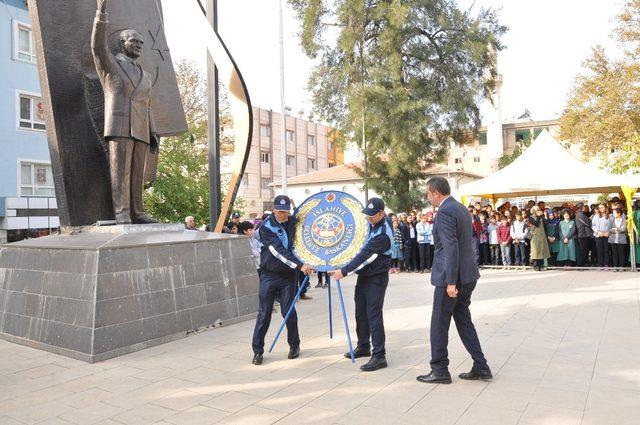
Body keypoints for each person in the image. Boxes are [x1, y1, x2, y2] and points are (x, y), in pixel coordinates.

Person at [417, 177, 491, 385]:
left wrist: (450, 282)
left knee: (439, 324)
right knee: (463, 320)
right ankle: (481, 366)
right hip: (467, 275)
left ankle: (439, 369)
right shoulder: (460, 208)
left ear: (436, 193)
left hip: (453, 278)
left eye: (428, 193)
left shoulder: (445, 212)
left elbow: (451, 247)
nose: (427, 197)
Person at [91, 0, 159, 224]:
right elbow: (97, 46)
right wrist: (101, 13)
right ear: (122, 43)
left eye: (141, 42)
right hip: (120, 126)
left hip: (141, 128)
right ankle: (121, 212)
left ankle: (137, 212)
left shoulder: (146, 76)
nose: (139, 44)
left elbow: (146, 105)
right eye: (134, 40)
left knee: (138, 174)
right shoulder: (110, 65)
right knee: (120, 172)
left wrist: (153, 131)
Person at [330, 197, 393, 372]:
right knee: (360, 313)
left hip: (376, 279)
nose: (369, 218)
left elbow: (364, 256)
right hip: (365, 277)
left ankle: (379, 355)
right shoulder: (374, 227)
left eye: (372, 215)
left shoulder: (382, 235)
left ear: (381, 213)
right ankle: (364, 346)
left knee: (373, 315)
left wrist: (343, 271)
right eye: (367, 214)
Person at [251, 195, 314, 365]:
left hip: (288, 277)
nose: (283, 215)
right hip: (269, 275)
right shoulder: (266, 228)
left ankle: (294, 345)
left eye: (286, 212)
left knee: (289, 312)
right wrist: (299, 265)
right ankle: (257, 351)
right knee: (264, 314)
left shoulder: (293, 221)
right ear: (274, 210)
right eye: (280, 212)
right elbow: (278, 251)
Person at [528, 206, 550, 271]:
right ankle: (536, 266)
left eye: (539, 209)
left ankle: (541, 265)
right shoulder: (531, 217)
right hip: (535, 237)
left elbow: (546, 223)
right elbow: (536, 223)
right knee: (535, 251)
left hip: (542, 236)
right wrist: (538, 216)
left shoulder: (541, 216)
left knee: (542, 250)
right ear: (533, 210)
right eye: (537, 210)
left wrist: (543, 216)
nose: (538, 211)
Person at [592, 203, 612, 269]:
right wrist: (598, 232)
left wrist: (608, 232)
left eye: (602, 207)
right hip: (598, 235)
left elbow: (612, 225)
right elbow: (593, 225)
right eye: (599, 208)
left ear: (606, 207)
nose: (601, 209)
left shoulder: (610, 216)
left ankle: (606, 263)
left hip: (607, 235)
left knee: (606, 250)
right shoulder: (596, 216)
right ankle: (600, 263)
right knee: (599, 250)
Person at [609, 208, 628, 272]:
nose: (613, 214)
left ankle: (622, 266)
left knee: (621, 253)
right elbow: (609, 229)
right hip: (613, 239)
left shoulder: (624, 220)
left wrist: (616, 229)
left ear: (619, 213)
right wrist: (617, 229)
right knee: (614, 253)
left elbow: (624, 229)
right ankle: (615, 266)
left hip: (621, 239)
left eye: (614, 213)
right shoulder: (611, 219)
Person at [575, 203, 594, 267]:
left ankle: (583, 263)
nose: (584, 207)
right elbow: (587, 223)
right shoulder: (580, 214)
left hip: (583, 234)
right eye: (583, 206)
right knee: (584, 250)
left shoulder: (580, 214)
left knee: (585, 250)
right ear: (581, 207)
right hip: (583, 234)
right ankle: (581, 264)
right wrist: (590, 220)